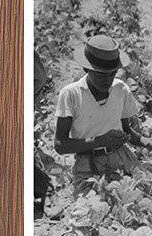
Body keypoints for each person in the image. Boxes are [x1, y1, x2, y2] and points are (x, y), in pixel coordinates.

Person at [54, 34, 143, 196]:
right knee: (93, 209)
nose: (108, 79)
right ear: (86, 68)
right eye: (101, 74)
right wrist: (99, 141)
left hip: (121, 159)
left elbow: (127, 131)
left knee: (137, 200)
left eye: (112, 73)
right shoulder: (71, 94)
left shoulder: (121, 89)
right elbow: (60, 145)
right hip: (88, 164)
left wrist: (145, 140)